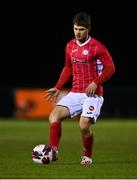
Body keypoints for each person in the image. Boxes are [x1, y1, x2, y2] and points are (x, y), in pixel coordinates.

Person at [44, 11, 115, 164]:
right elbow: (68, 68)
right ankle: (53, 151)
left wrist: (96, 82)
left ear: (88, 29)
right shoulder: (70, 46)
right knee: (53, 116)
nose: (78, 32)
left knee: (83, 125)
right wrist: (58, 86)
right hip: (75, 92)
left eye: (81, 29)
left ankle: (87, 156)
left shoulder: (97, 47)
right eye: (76, 28)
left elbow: (110, 68)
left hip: (93, 95)